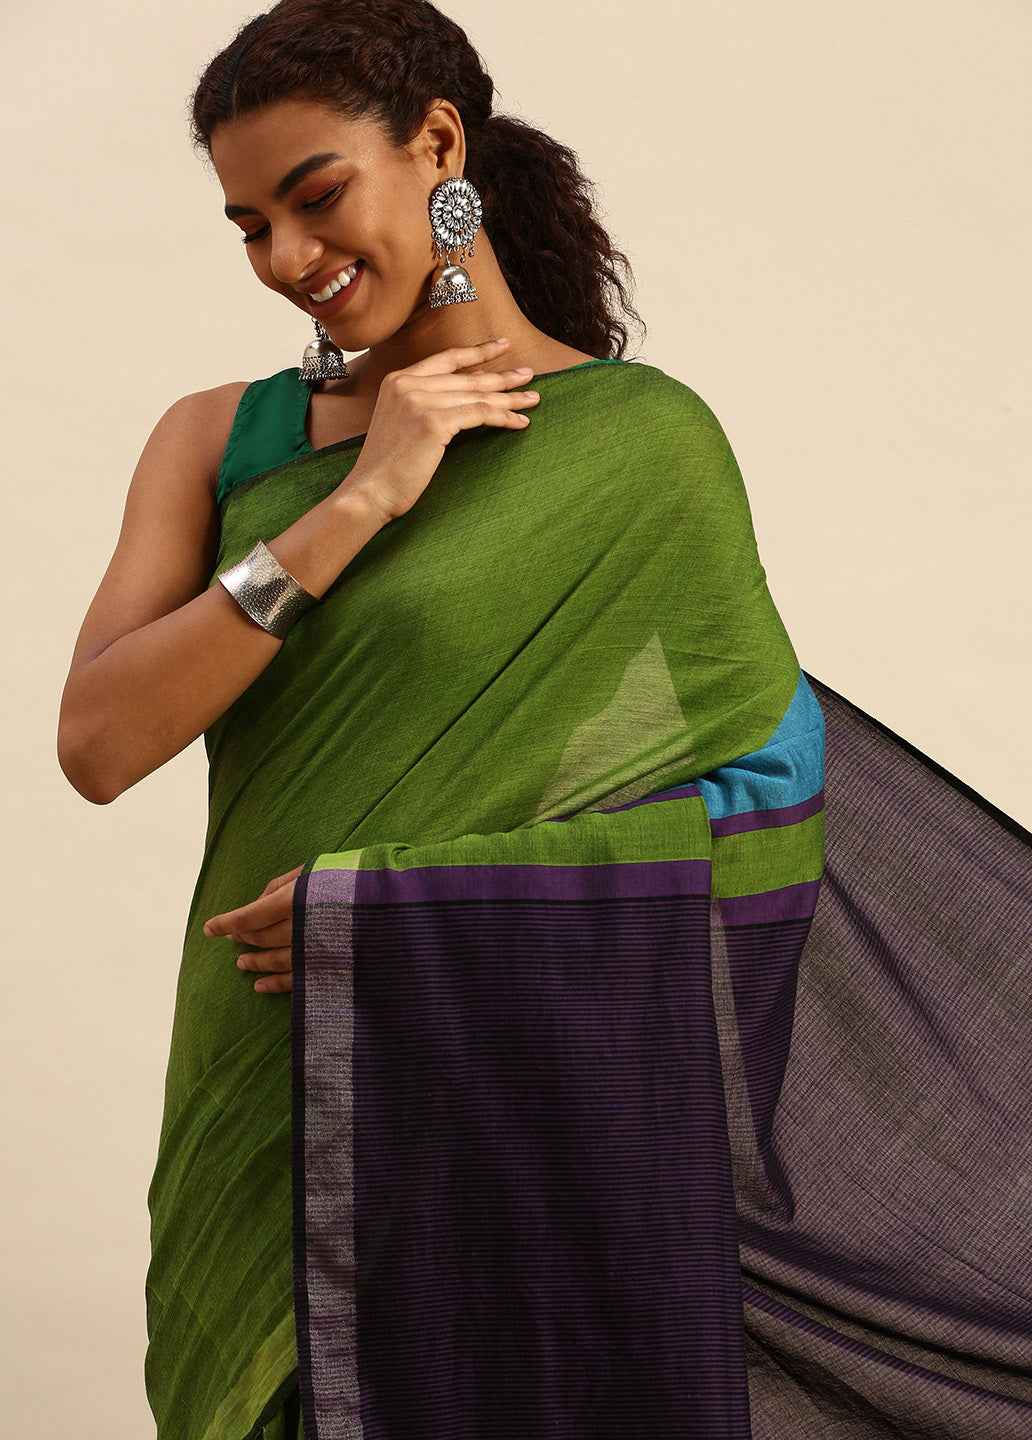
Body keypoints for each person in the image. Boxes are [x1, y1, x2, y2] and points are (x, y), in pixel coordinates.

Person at [58, 3, 1032, 1438]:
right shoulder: (222, 438)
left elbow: (766, 814)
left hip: (509, 1083)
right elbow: (97, 745)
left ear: (439, 145)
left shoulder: (644, 443)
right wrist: (362, 498)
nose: (289, 259)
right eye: (250, 227)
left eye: (316, 197)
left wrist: (396, 916)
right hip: (264, 1072)